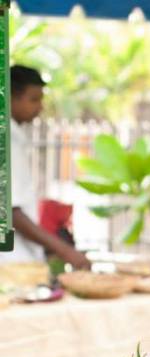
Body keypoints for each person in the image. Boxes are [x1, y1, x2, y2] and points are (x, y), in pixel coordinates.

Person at [1, 65, 90, 268]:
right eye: (34, 99)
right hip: (11, 263)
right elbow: (11, 213)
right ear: (10, 98)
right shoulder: (7, 142)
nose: (40, 107)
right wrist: (64, 250)